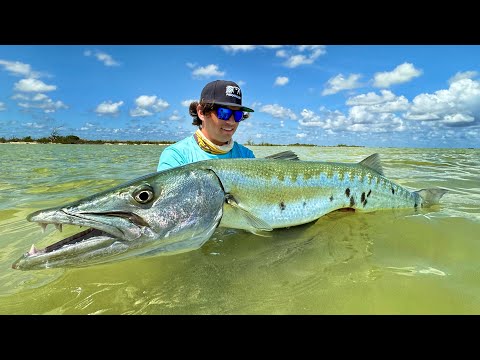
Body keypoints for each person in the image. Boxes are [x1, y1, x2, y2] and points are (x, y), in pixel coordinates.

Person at [157, 80, 255, 171]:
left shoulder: (247, 156)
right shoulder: (176, 156)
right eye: (224, 113)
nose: (232, 121)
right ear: (201, 112)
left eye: (238, 115)